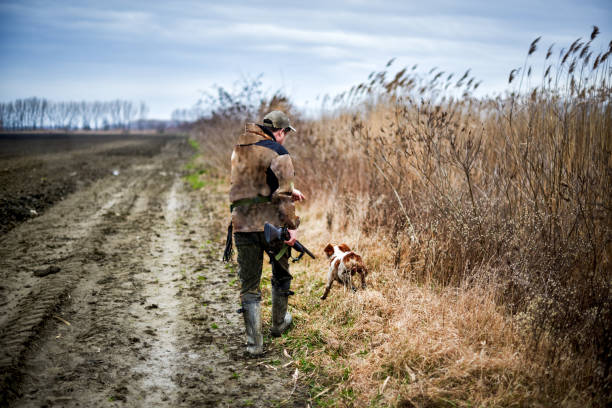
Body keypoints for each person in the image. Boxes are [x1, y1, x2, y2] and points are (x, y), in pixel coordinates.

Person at [226, 110, 305, 356]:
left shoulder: (239, 147)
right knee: (281, 272)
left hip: (242, 224)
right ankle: (279, 324)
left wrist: (290, 189)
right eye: (285, 134)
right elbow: (281, 196)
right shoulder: (279, 152)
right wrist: (291, 230)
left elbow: (251, 184)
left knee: (249, 285)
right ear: (280, 131)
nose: (284, 139)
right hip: (272, 228)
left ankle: (254, 345)